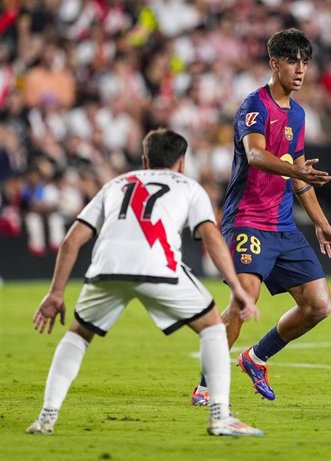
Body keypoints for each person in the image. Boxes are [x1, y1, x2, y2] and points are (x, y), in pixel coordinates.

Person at [26, 128, 263, 437]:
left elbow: (71, 241)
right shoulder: (189, 187)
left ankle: (46, 417)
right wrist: (236, 287)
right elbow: (211, 236)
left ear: (144, 159)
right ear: (181, 162)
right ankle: (220, 415)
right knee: (213, 327)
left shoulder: (115, 184)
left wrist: (55, 293)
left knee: (78, 335)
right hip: (158, 267)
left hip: (106, 270)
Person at [191, 28, 331, 405]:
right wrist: (298, 172)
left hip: (282, 225)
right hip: (247, 218)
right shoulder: (254, 106)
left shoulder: (297, 114)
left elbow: (298, 174)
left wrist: (322, 223)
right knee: (245, 298)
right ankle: (207, 386)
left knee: (319, 305)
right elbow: (257, 156)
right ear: (274, 63)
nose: (300, 69)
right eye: (292, 61)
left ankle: (255, 357)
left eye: (305, 62)